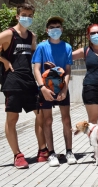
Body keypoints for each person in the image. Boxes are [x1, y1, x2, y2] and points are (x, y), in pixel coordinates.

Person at [0, 3, 47, 169]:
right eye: (24, 14)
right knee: (12, 118)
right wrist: (4, 60)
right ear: (17, 16)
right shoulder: (8, 34)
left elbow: (33, 57)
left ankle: (42, 150)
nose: (27, 17)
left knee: (40, 115)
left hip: (29, 82)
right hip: (12, 82)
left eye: (30, 15)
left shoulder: (32, 36)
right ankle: (17, 155)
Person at [32, 16, 76, 167]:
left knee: (66, 119)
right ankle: (51, 154)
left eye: (57, 27)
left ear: (62, 29)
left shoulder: (67, 47)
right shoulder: (41, 47)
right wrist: (42, 88)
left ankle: (69, 151)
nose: (55, 29)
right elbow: (36, 69)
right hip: (46, 88)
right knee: (47, 120)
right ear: (47, 30)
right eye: (52, 27)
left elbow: (69, 70)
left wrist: (65, 88)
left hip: (62, 87)